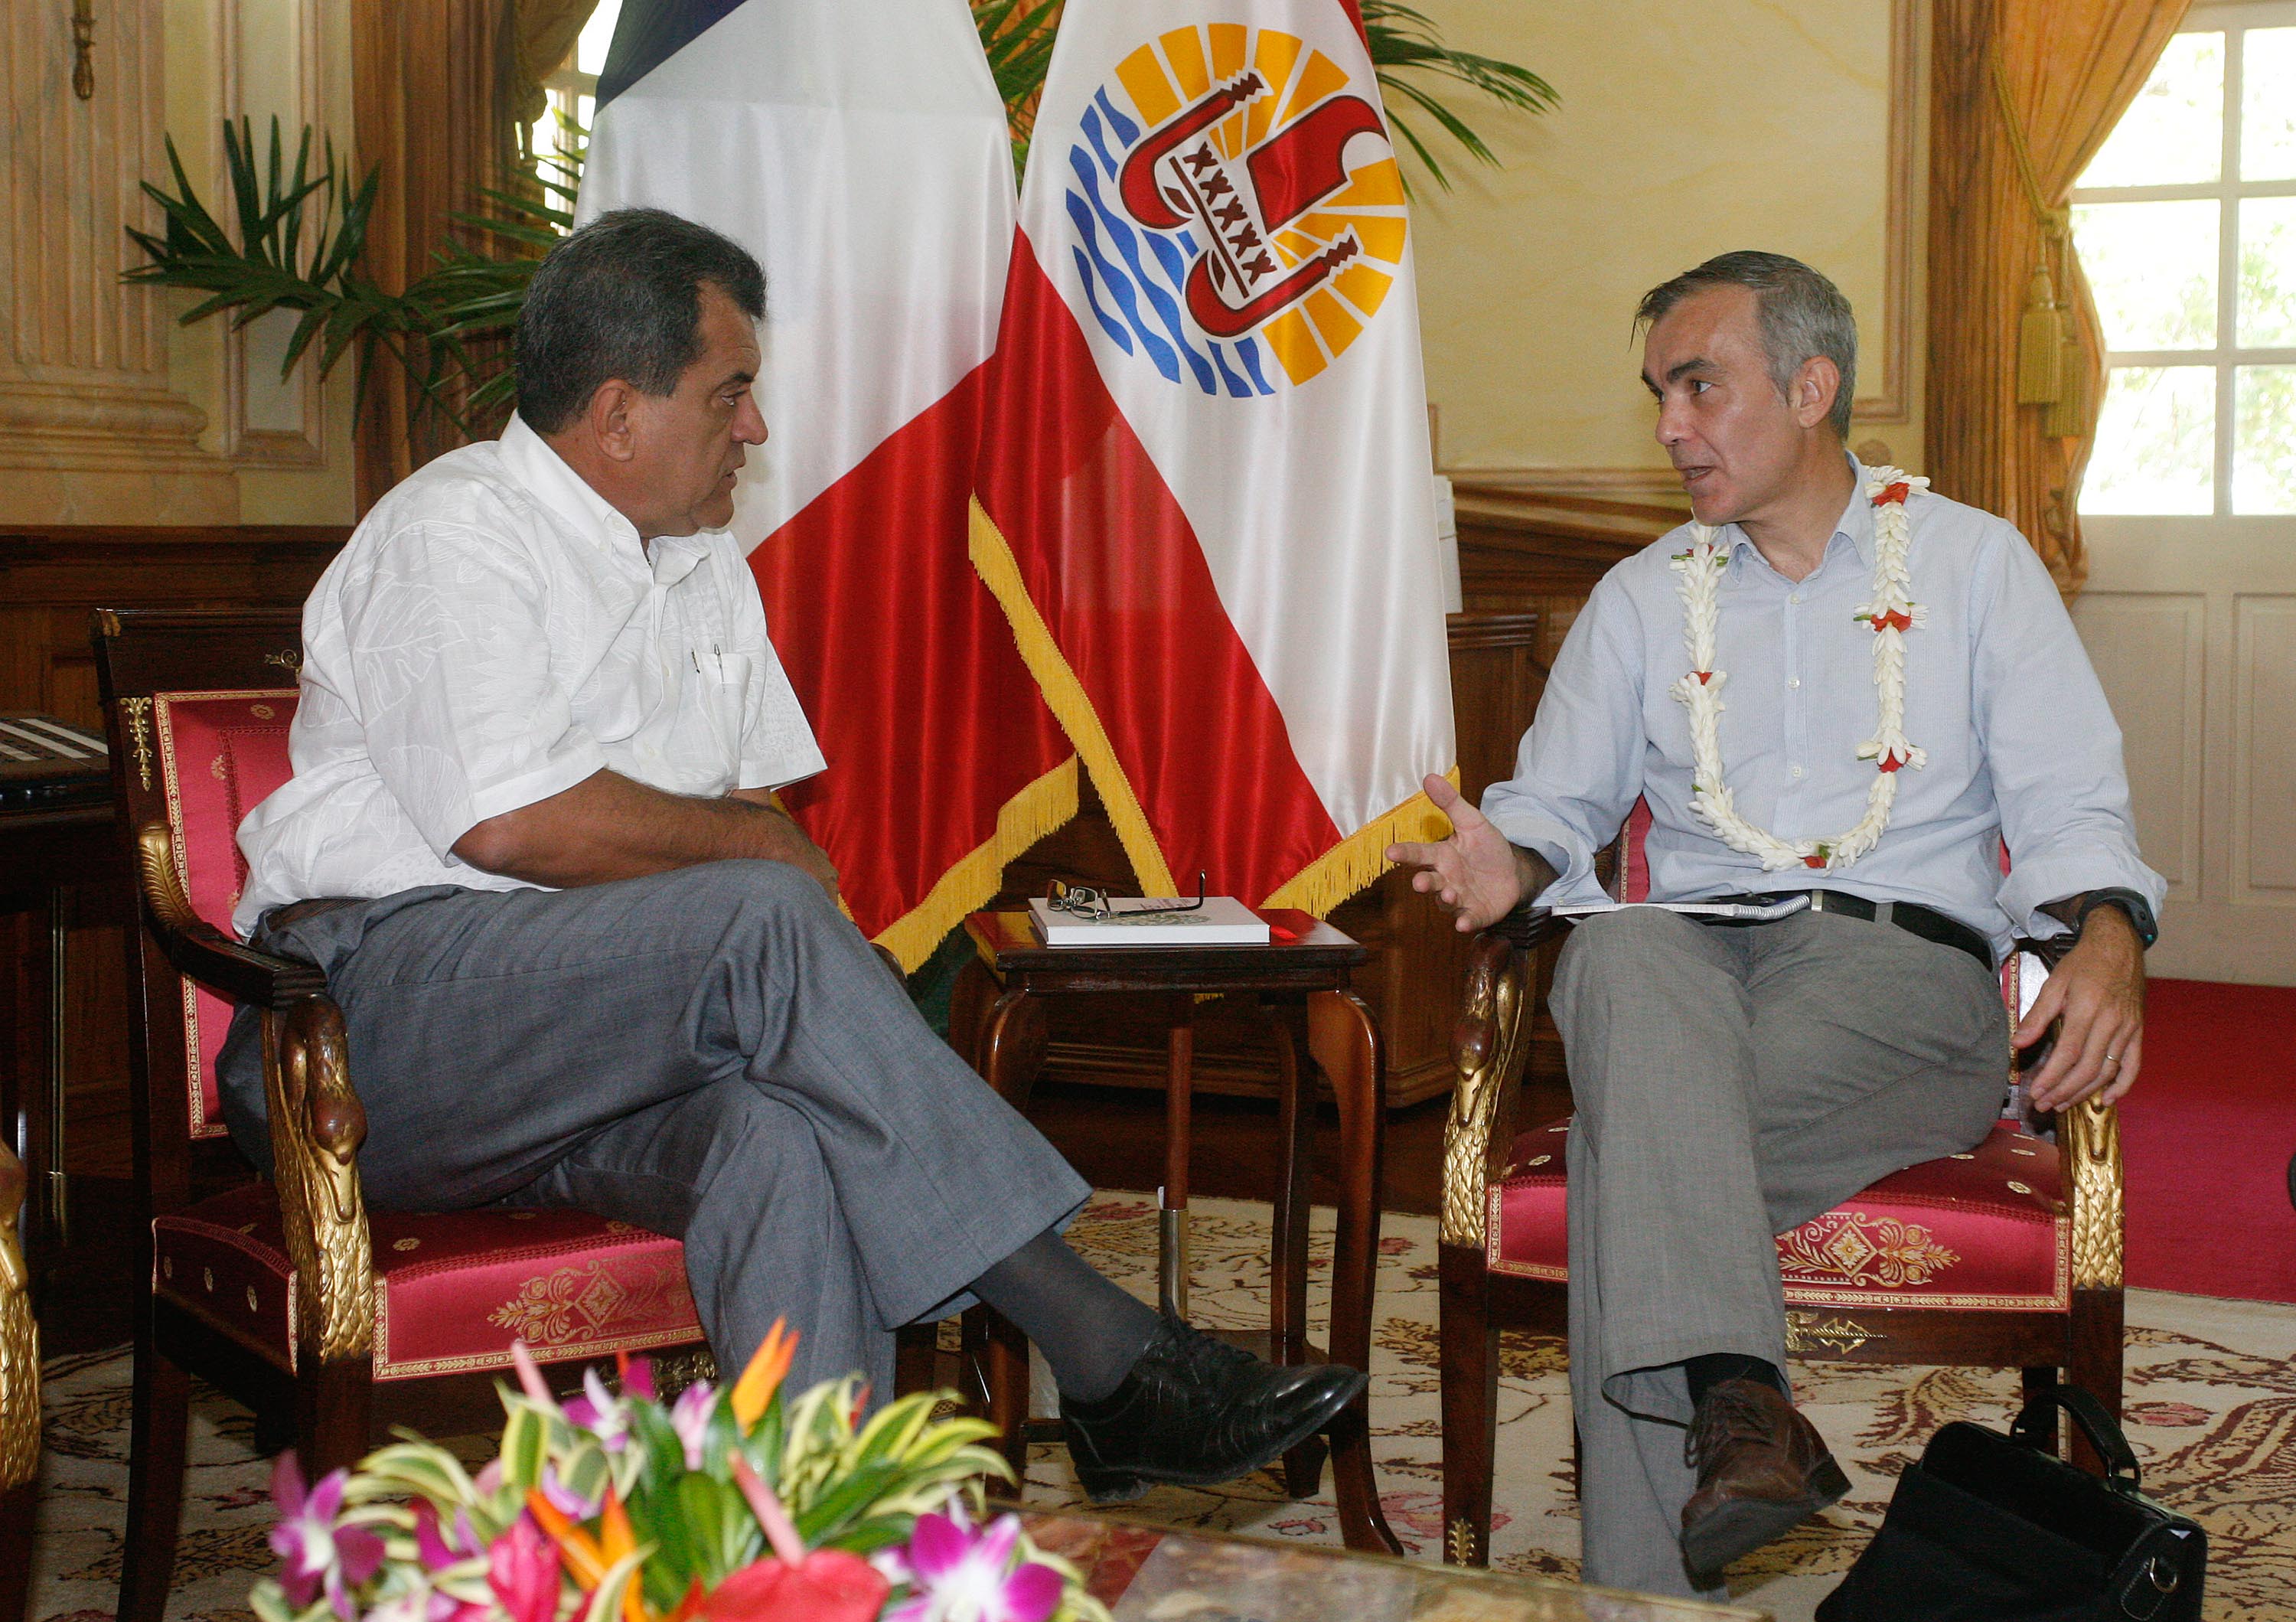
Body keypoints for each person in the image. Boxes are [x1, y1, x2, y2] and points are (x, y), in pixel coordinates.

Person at [218, 207, 1363, 1503]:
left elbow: (743, 798)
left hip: (596, 1049)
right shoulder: (456, 531)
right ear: (616, 415)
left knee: (786, 1139)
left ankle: (817, 1552)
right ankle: (1107, 1352)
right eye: (732, 393)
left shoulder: (704, 562)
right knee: (759, 911)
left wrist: (768, 868)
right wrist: (759, 851)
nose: (754, 429)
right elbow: (512, 821)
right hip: (372, 1036)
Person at [1390, 250, 2161, 1597]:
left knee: (1637, 1151)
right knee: (1622, 947)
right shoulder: (1643, 597)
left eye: (1700, 386)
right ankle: (1743, 1409)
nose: (1668, 426)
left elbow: (2071, 805)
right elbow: (1553, 805)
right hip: (1680, 964)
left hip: (1897, 978)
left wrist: (2110, 933)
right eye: (1658, 395)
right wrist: (1509, 863)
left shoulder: (1977, 567)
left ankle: (1643, 1585)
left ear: (1812, 388)